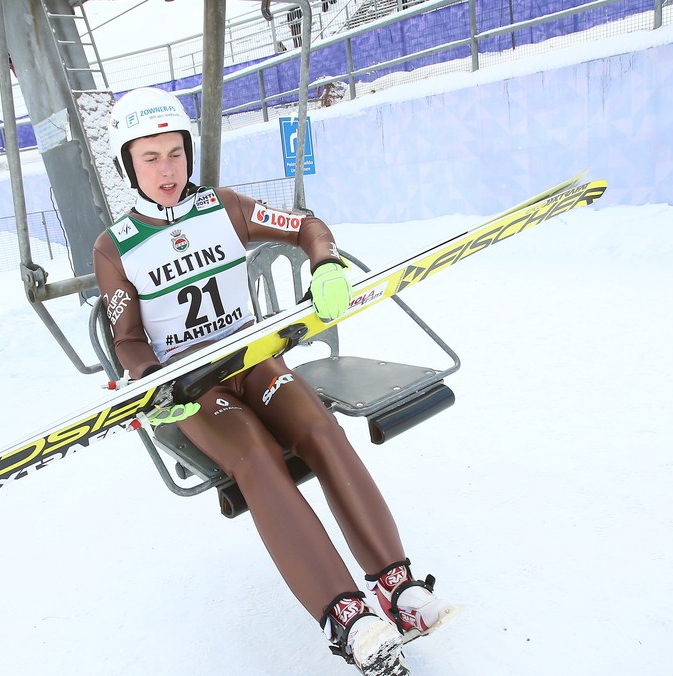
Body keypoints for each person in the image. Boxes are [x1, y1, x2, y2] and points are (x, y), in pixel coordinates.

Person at [93, 88, 458, 676]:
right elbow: (129, 339)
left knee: (320, 428)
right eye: (150, 158)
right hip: (195, 389)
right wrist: (148, 380)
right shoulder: (116, 246)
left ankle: (396, 582)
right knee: (258, 459)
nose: (166, 170)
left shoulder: (225, 206)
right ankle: (347, 618)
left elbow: (305, 225)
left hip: (253, 360)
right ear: (127, 166)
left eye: (174, 153)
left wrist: (327, 262)